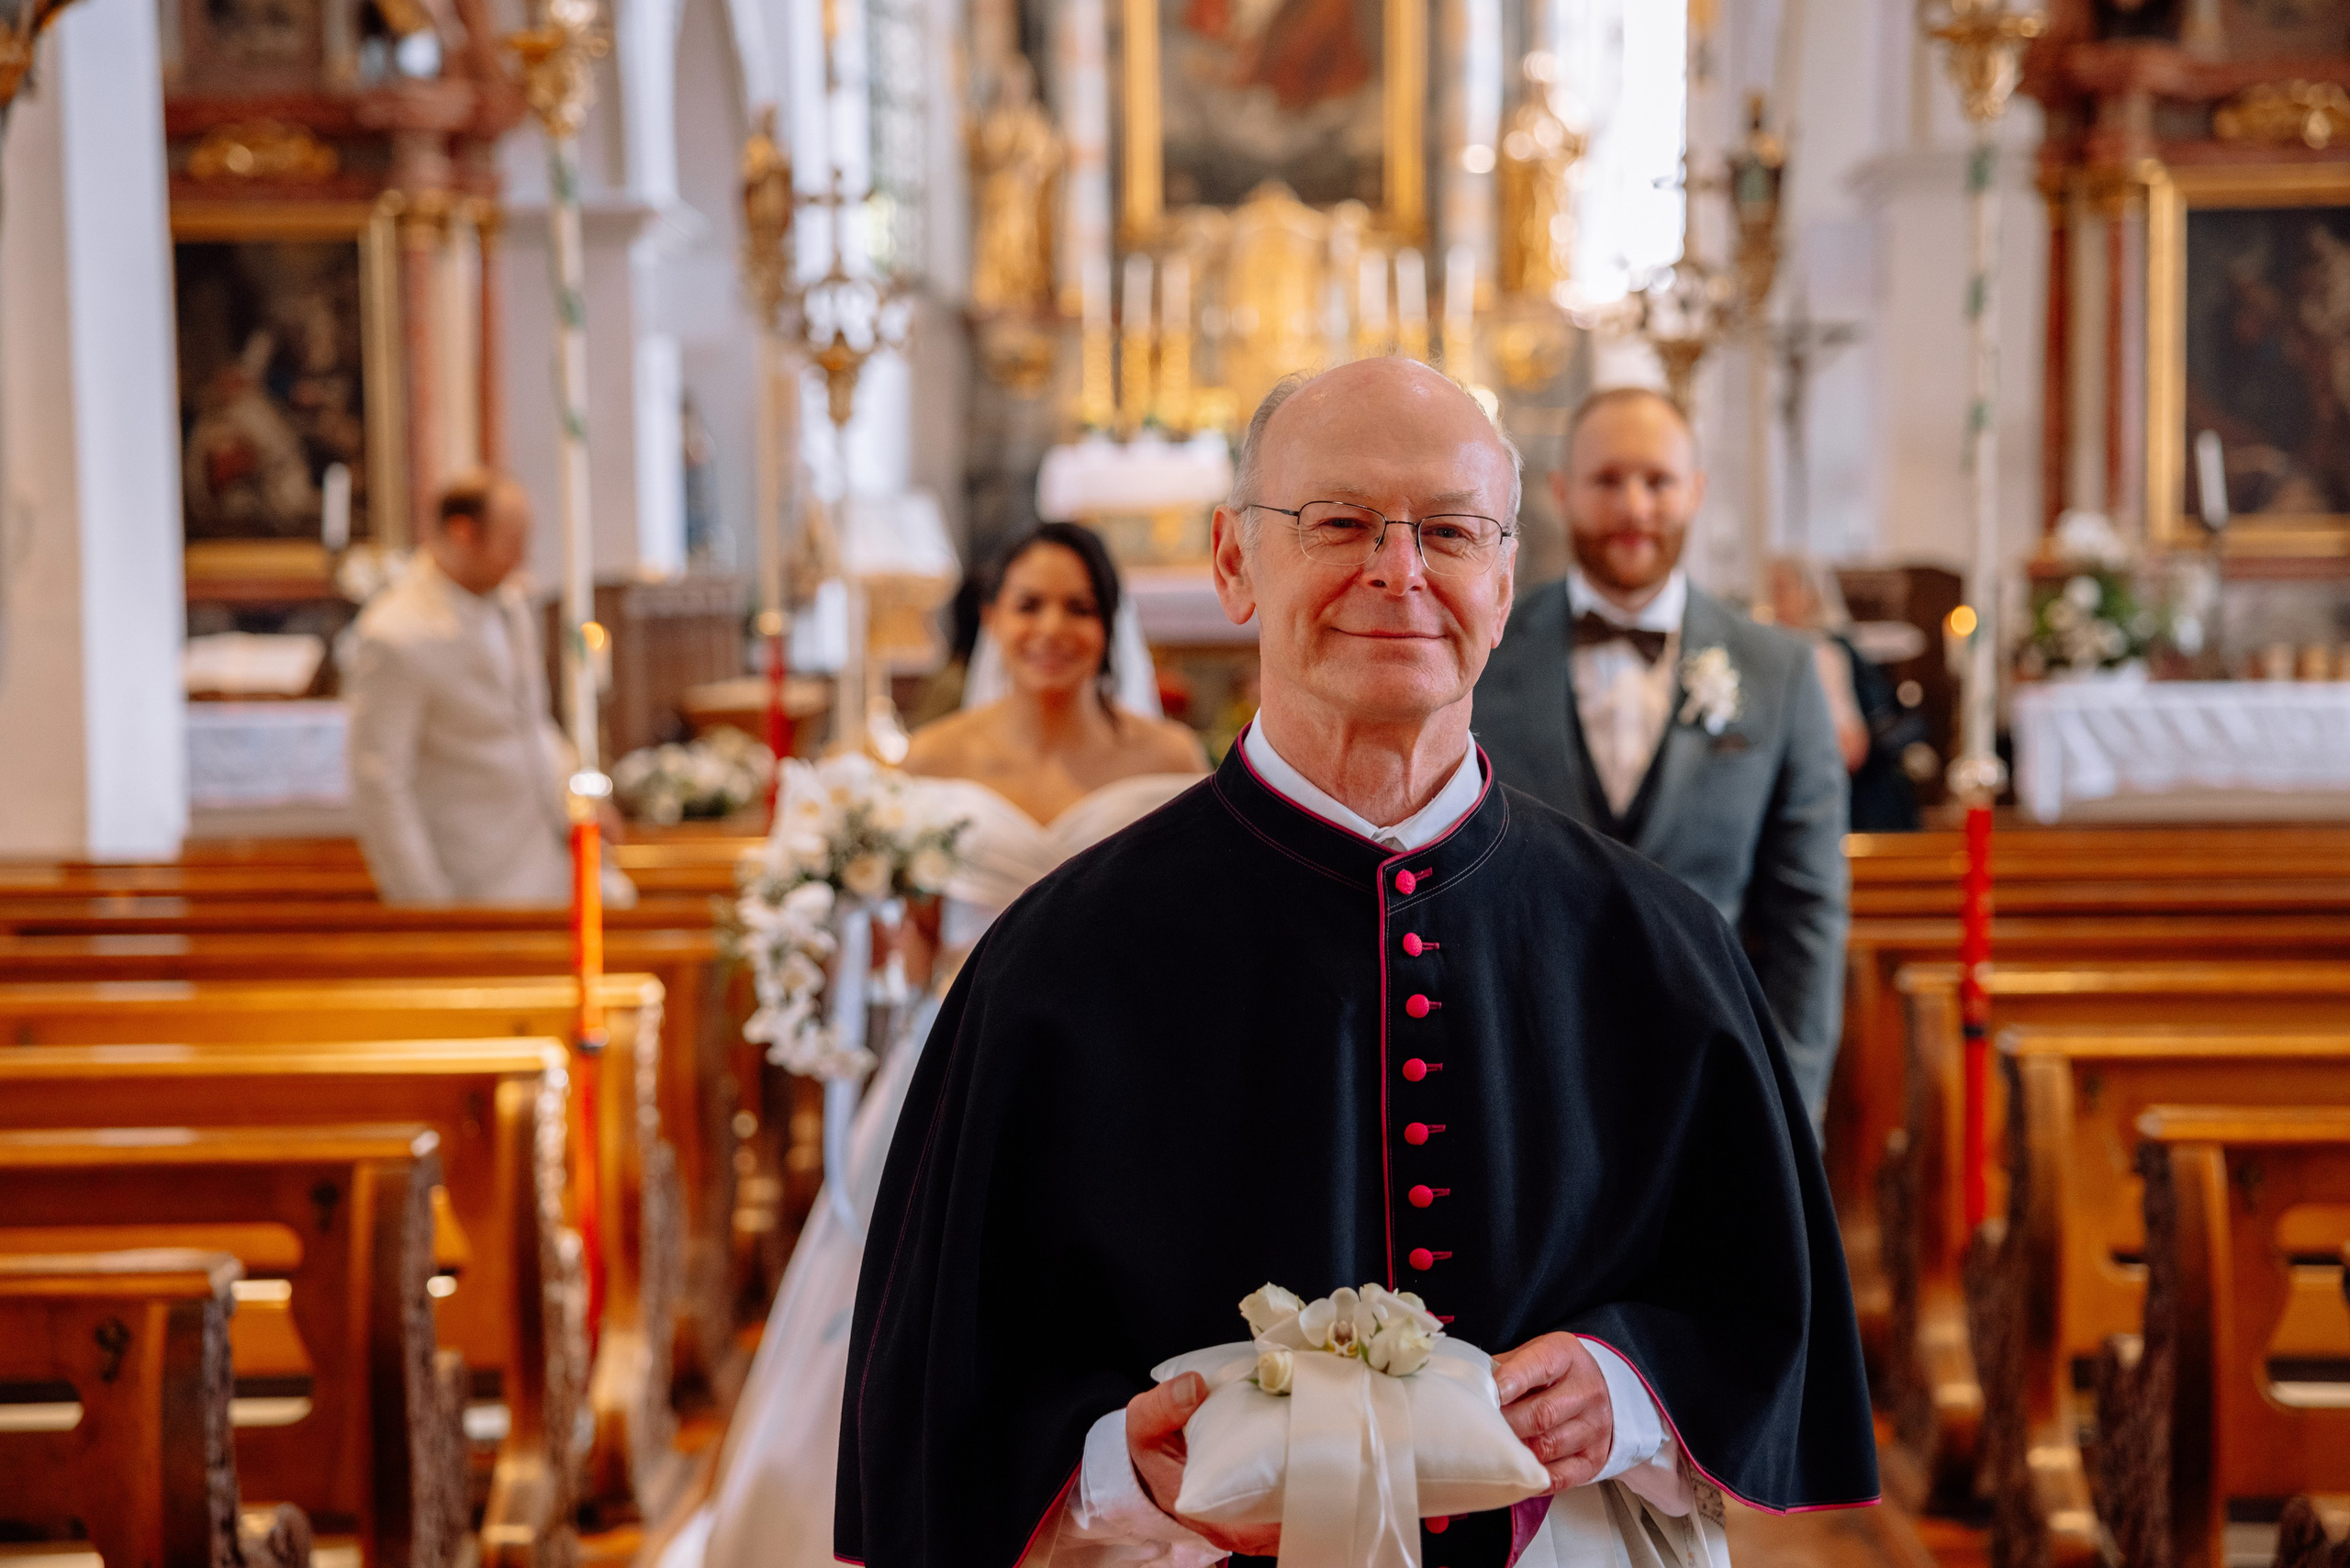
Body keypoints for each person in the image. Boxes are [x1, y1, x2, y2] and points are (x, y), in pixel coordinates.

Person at [838, 361, 1877, 1568]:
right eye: (1339, 523)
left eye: (1447, 530)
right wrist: (1122, 1461)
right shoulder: (1054, 963)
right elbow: (946, 1395)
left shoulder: (1659, 946)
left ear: (1502, 576)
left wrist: (1631, 1391)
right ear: (1234, 562)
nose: (1399, 573)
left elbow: (1759, 1304)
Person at [674, 522, 1206, 1568]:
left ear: (1110, 625)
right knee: (935, 1293)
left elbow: (1183, 928)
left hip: (1118, 1072)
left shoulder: (1167, 758)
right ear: (992, 620)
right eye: (1029, 605)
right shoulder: (930, 761)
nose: (1053, 629)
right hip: (957, 1056)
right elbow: (910, 946)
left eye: (1078, 607)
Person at [1474, 388, 1849, 1126]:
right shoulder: (1479, 652)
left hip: (1710, 1079)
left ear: (1697, 492)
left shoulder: (1779, 672)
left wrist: (1789, 1100)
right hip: (1514, 1080)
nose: (1634, 506)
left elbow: (1807, 908)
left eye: (1658, 481)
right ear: (1559, 493)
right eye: (1607, 480)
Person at [347, 471, 633, 907]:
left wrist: (579, 797)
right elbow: (380, 783)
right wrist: (423, 900)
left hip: (549, 856)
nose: (523, 559)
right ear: (463, 534)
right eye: (513, 543)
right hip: (476, 877)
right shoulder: (396, 633)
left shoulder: (512, 605)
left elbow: (532, 723)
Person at [1765, 556, 1921, 834]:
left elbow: (1851, 746)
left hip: (1839, 800)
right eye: (1772, 590)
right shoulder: (1773, 649)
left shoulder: (1821, 652)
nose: (1774, 601)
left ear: (1811, 595)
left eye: (1783, 589)